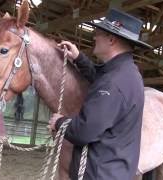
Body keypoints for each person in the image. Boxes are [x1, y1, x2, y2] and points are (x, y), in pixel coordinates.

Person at [49, 8, 152, 180]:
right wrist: (78, 58)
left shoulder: (114, 82)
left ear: (111, 40)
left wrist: (59, 122)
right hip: (114, 171)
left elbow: (84, 131)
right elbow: (100, 78)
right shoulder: (126, 73)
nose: (94, 37)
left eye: (98, 34)